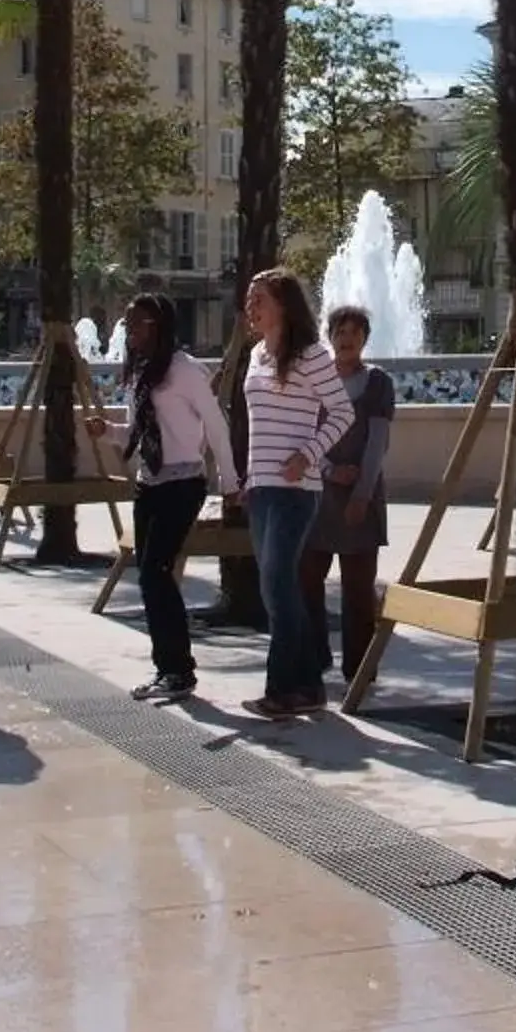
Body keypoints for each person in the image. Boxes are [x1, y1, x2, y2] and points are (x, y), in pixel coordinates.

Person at [85, 291, 236, 702]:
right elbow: (135, 435)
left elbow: (216, 427)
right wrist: (107, 432)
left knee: (156, 572)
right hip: (149, 482)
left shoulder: (185, 370)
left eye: (138, 323)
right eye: (127, 323)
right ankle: (167, 668)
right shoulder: (139, 373)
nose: (129, 331)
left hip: (183, 482)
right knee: (151, 576)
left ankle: (178, 670)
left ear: (160, 326)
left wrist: (230, 482)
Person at [237, 268, 355, 720]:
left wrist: (308, 454)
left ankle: (281, 690)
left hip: (295, 490)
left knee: (277, 584)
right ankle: (309, 685)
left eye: (259, 298)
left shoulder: (311, 355)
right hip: (263, 488)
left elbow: (342, 414)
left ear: (283, 304)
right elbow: (258, 425)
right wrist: (250, 476)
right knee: (276, 590)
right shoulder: (255, 356)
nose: (251, 307)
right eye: (250, 299)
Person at [303, 303, 397, 688]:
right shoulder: (316, 381)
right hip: (318, 496)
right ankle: (313, 657)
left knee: (359, 590)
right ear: (330, 336)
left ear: (364, 340)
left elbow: (377, 443)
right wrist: (327, 469)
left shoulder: (378, 383)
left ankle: (359, 672)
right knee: (305, 577)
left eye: (354, 334)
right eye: (341, 333)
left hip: (361, 497)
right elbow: (305, 433)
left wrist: (361, 493)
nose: (347, 340)